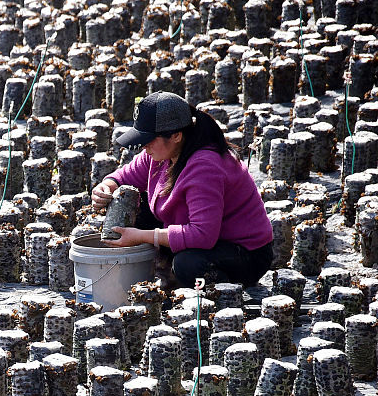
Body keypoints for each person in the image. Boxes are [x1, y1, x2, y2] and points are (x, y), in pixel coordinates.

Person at [92, 91, 274, 288]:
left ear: (176, 135)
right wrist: (106, 187)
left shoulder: (205, 166)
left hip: (243, 253)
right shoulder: (159, 153)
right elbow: (124, 177)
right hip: (201, 235)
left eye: (149, 139)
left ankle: (220, 291)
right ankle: (162, 271)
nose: (144, 146)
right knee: (134, 204)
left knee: (188, 265)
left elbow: (202, 235)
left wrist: (142, 236)